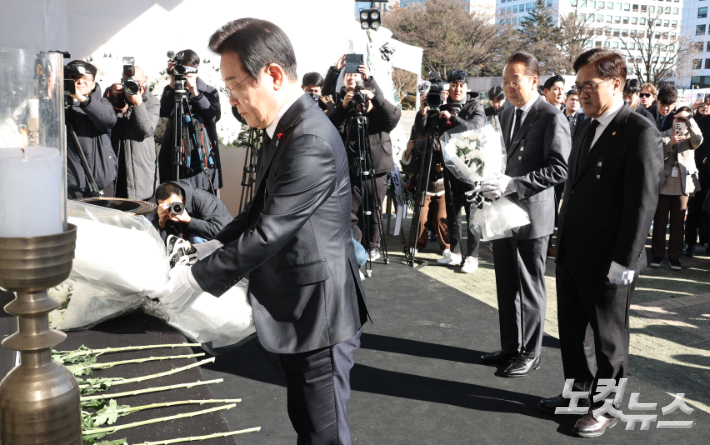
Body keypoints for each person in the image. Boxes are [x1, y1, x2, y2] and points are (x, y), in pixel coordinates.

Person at [150, 18, 369, 445]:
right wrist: (213, 242)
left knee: (324, 435)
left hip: (318, 313)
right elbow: (256, 212)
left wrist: (195, 279)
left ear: (271, 75)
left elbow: (270, 232)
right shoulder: (283, 128)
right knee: (306, 425)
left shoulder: (310, 140)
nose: (231, 100)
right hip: (297, 305)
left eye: (235, 86)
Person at [538, 48, 664, 438]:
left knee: (609, 340)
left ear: (616, 83)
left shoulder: (639, 132)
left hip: (611, 259)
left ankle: (605, 407)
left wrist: (625, 260)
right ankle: (576, 395)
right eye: (579, 87)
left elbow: (642, 202)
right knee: (573, 334)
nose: (583, 93)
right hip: (573, 252)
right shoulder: (583, 126)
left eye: (590, 85)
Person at [478, 52, 570, 376]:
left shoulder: (551, 116)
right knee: (505, 281)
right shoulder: (505, 114)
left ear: (534, 80)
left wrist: (513, 184)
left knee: (530, 285)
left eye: (514, 81)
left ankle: (531, 352)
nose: (508, 88)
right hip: (503, 213)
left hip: (533, 214)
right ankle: (509, 346)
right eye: (504, 82)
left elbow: (559, 168)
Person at [328, 61, 401, 261]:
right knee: (351, 212)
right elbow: (331, 127)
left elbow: (394, 116)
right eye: (347, 75)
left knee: (375, 210)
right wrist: (343, 107)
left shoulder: (379, 113)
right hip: (351, 169)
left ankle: (373, 245)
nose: (362, 102)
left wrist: (375, 97)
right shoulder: (344, 106)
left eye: (355, 75)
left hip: (376, 169)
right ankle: (357, 248)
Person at [416, 69, 486, 273]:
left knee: (473, 213)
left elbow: (476, 127)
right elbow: (423, 130)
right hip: (450, 166)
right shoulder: (442, 106)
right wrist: (422, 111)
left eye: (461, 85)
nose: (458, 88)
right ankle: (455, 253)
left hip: (473, 167)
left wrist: (452, 118)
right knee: (453, 212)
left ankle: (472, 257)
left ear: (467, 87)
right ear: (449, 87)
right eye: (454, 85)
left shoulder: (475, 106)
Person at [158, 49, 223, 193]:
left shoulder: (209, 91)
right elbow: (164, 112)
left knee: (204, 201)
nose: (184, 73)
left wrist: (195, 92)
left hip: (200, 154)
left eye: (187, 69)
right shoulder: (171, 90)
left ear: (196, 69)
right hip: (175, 153)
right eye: (180, 68)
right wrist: (172, 82)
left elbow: (213, 116)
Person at [650, 106, 703, 270]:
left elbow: (699, 139)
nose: (680, 122)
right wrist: (670, 143)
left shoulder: (691, 137)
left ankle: (675, 257)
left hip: (682, 185)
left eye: (683, 120)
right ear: (672, 119)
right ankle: (657, 255)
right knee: (660, 222)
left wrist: (690, 119)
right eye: (677, 119)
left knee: (678, 223)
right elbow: (656, 156)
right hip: (663, 184)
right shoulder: (662, 135)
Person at [105, 66, 160, 201]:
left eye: (136, 82)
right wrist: (112, 98)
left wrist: (138, 104)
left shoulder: (152, 102)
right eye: (127, 82)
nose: (132, 85)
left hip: (140, 170)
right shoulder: (117, 99)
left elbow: (146, 130)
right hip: (116, 166)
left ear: (144, 82)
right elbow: (104, 121)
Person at [64, 60, 118, 199]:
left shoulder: (102, 103)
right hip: (72, 183)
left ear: (93, 84)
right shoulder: (59, 105)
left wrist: (81, 98)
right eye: (75, 78)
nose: (80, 82)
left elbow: (108, 120)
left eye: (86, 78)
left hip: (101, 182)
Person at [401, 129, 450, 253]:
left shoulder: (443, 136)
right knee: (421, 218)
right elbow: (408, 168)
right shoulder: (418, 133)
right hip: (424, 187)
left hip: (442, 187)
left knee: (441, 218)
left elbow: (452, 163)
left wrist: (443, 169)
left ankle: (447, 246)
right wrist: (408, 151)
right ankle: (417, 244)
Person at [153, 180, 233, 244]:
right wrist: (161, 223)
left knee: (195, 238)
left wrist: (188, 220)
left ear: (183, 198)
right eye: (166, 206)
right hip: (195, 236)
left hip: (227, 238)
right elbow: (162, 244)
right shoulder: (163, 210)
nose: (171, 209)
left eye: (174, 205)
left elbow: (219, 231)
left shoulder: (202, 199)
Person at [686, 100, 710, 256]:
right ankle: (689, 244)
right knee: (694, 209)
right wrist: (704, 159)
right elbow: (693, 144)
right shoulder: (701, 122)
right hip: (701, 172)